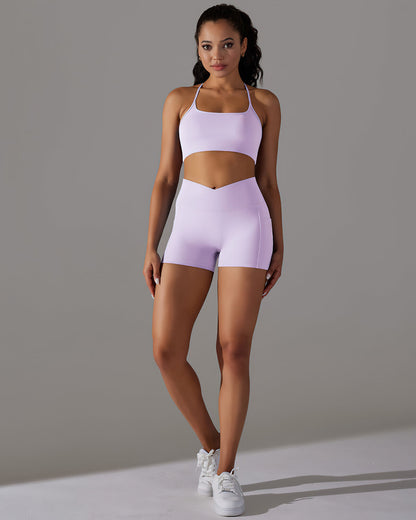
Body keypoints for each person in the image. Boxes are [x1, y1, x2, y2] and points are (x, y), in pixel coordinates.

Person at [143, 4, 283, 516]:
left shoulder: (263, 103)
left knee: (233, 349)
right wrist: (151, 244)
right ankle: (212, 444)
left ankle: (227, 473)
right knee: (166, 350)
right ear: (197, 49)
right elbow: (166, 177)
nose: (216, 55)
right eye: (207, 46)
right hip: (192, 227)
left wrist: (280, 244)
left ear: (244, 45)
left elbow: (268, 181)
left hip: (248, 225)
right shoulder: (181, 100)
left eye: (226, 44)